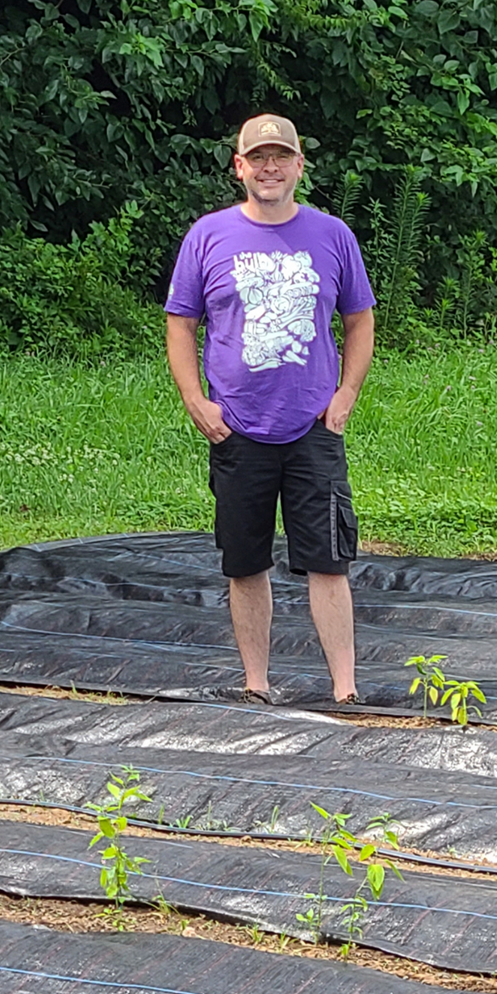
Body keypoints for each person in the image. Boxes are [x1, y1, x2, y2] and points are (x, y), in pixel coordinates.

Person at [164, 113, 375, 705]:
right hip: (236, 427)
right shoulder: (208, 236)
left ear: (299, 166)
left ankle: (346, 692)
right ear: (239, 167)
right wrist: (195, 401)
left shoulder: (333, 235)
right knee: (245, 562)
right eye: (258, 157)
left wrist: (347, 394)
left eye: (281, 156)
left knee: (329, 561)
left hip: (313, 426)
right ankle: (256, 686)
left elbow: (359, 320)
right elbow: (180, 323)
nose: (270, 167)